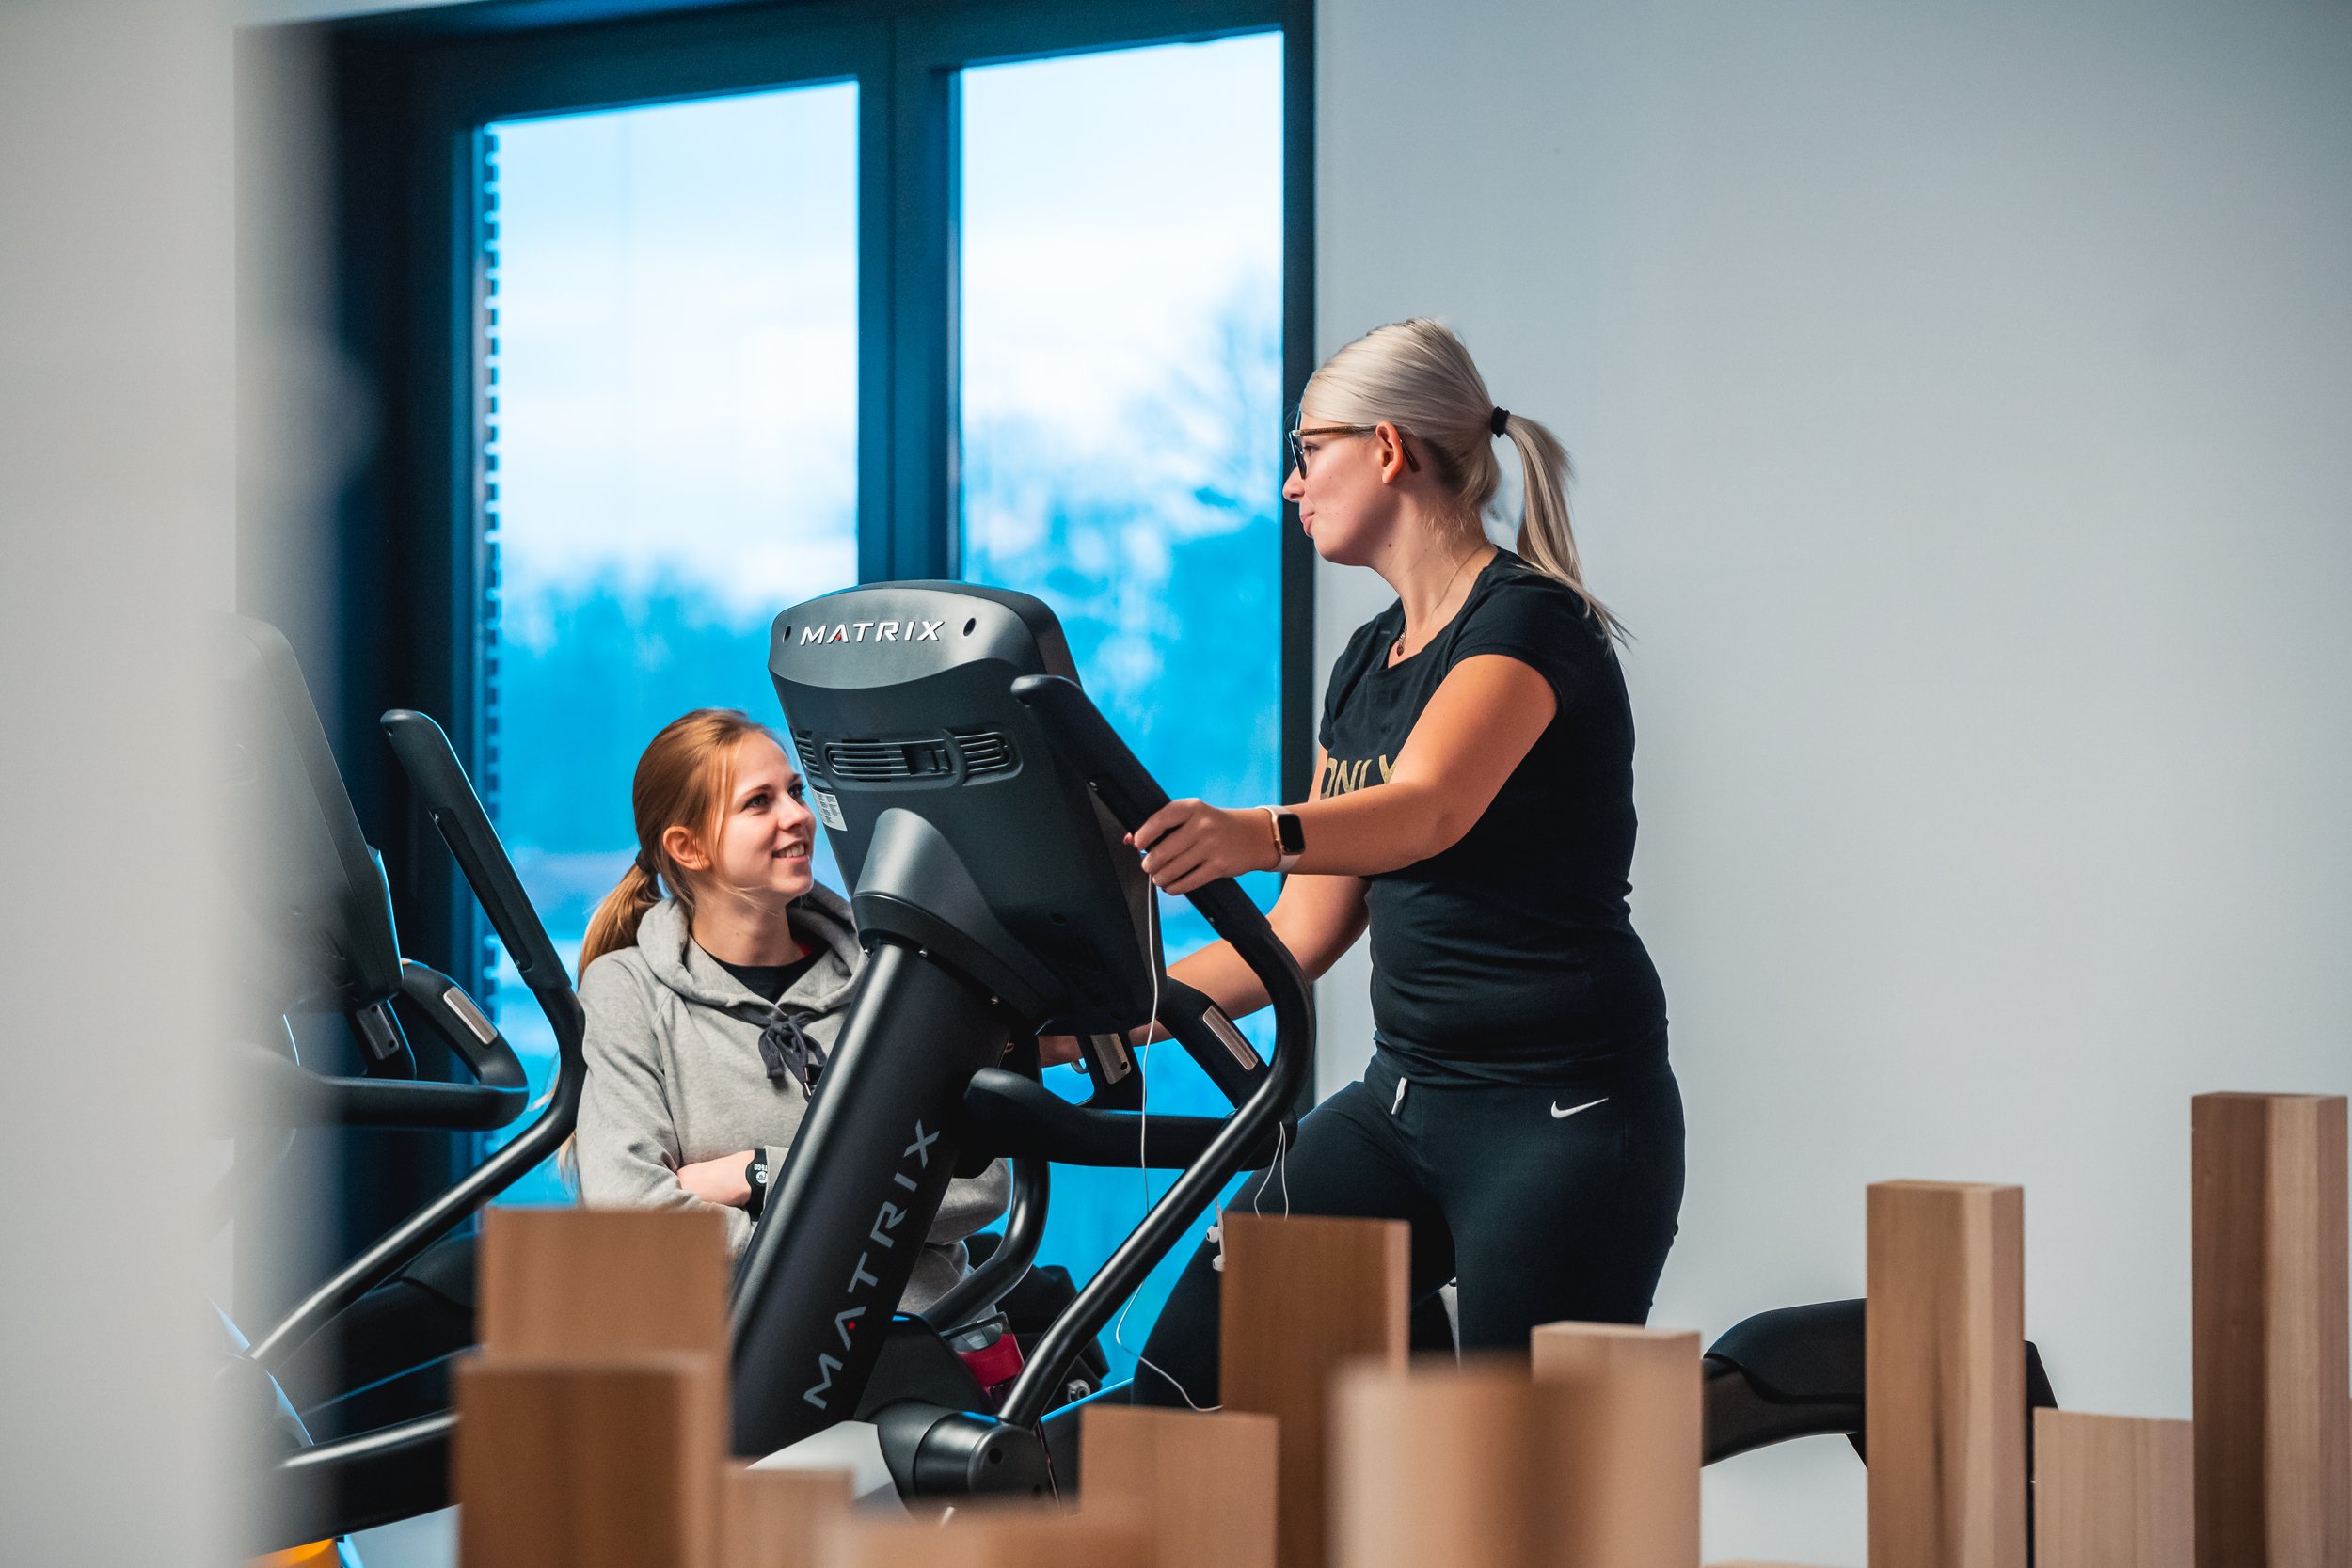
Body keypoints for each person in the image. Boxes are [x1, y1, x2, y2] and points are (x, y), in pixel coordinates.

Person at [1127, 319, 1682, 1405]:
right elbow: (1298, 937)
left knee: (1527, 1483)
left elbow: (1426, 808)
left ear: (1387, 449)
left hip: (1561, 1117)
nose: (1292, 486)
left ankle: (1785, 1381)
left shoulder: (1528, 623)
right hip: (1404, 1103)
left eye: (1307, 451)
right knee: (1190, 1382)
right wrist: (1090, 1017)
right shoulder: (1364, 662)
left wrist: (1249, 830)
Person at [573, 708, 1008, 1311]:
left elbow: (975, 1190)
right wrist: (850, 1237)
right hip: (737, 1360)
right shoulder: (628, 989)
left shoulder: (896, 976)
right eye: (759, 802)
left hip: (917, 1342)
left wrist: (756, 1173)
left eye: (796, 792)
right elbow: (633, 1220)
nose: (799, 816)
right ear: (688, 847)